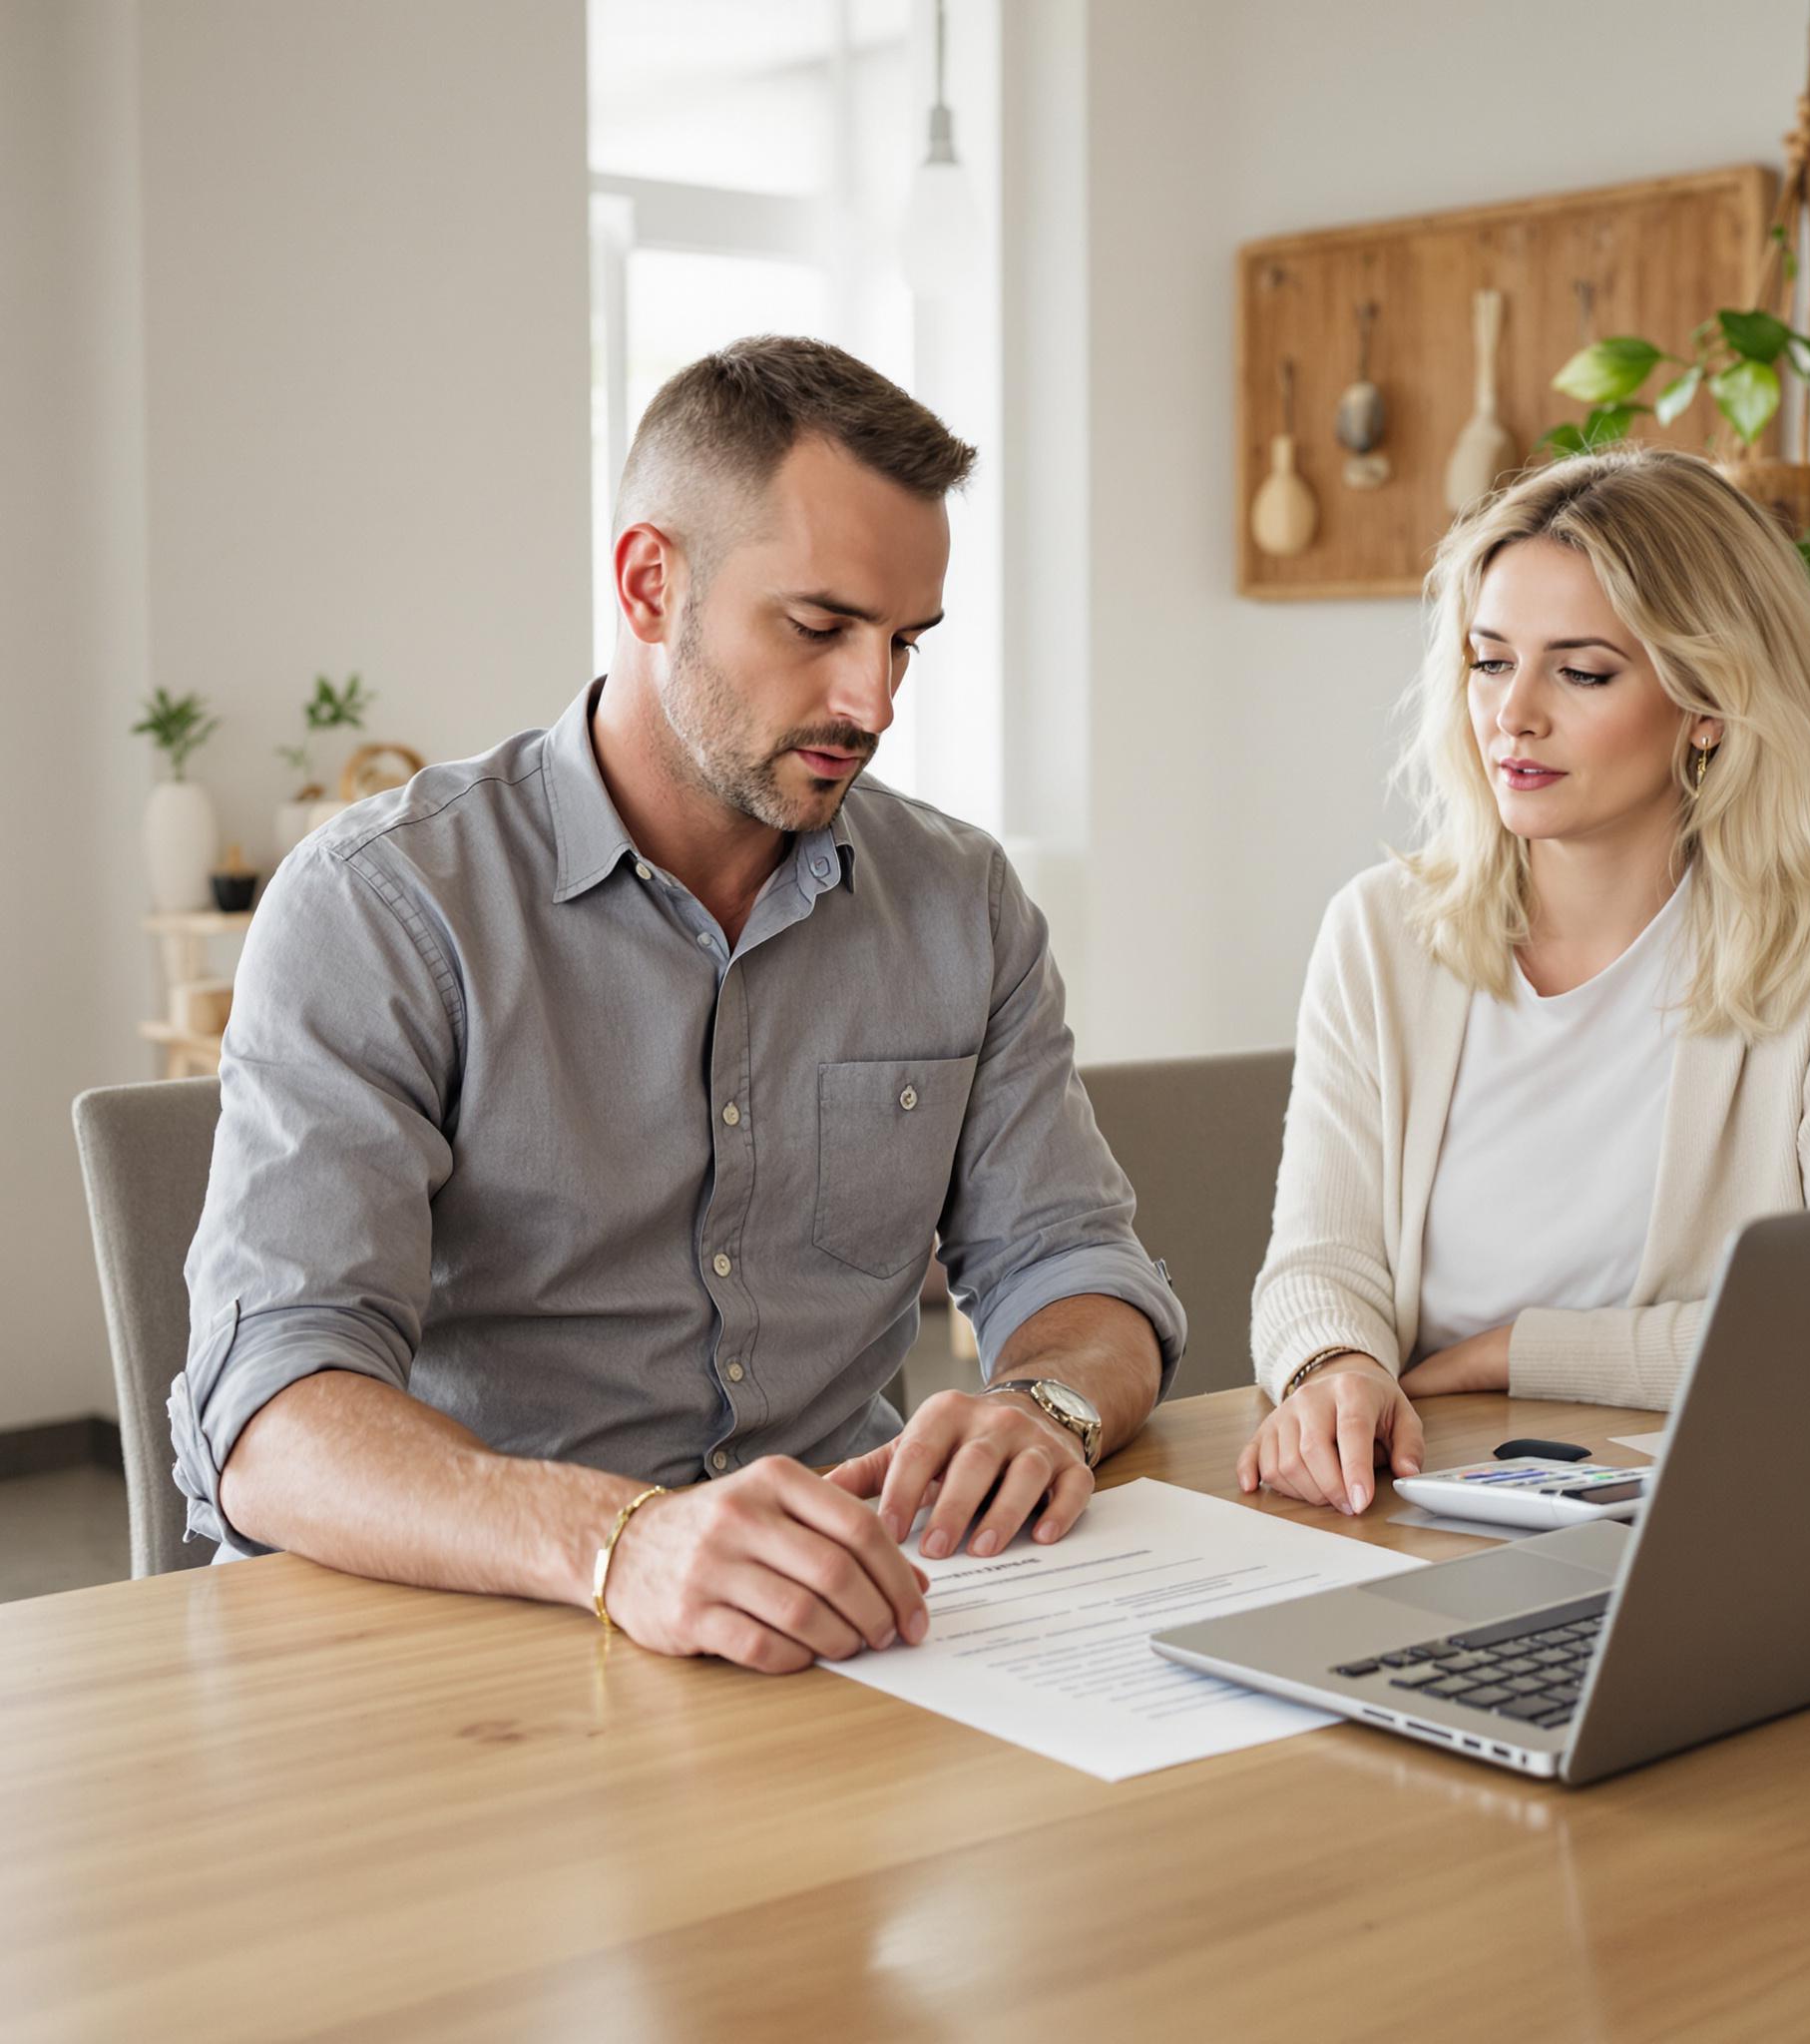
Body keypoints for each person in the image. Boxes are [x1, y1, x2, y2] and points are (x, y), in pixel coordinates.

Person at [172, 336, 1184, 1672]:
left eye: (904, 643)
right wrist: (620, 1543)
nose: (871, 700)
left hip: (849, 1645)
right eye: (819, 629)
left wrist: (1044, 1405)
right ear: (653, 584)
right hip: (481, 1641)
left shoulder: (959, 902)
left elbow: (1080, 1270)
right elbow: (272, 1414)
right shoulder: (383, 906)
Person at [1239, 444, 1810, 1516]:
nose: (1511, 715)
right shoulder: (1377, 934)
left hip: (1722, 1516)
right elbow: (1314, 1264)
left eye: (1579, 671)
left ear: (1707, 702)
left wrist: (1519, 1351)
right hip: (1408, 1501)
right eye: (1489, 661)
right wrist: (1331, 1365)